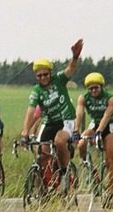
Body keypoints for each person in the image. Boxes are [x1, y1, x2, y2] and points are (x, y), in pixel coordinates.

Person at [19, 39, 84, 178]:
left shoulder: (59, 79)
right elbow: (31, 110)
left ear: (50, 73)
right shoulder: (37, 90)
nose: (42, 78)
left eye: (45, 74)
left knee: (59, 142)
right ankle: (44, 189)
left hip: (66, 119)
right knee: (42, 155)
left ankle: (64, 172)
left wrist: (75, 57)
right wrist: (25, 132)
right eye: (39, 75)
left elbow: (70, 68)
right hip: (49, 122)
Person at [73, 72, 113, 204]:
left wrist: (99, 132)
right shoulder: (83, 98)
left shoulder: (110, 98)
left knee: (110, 160)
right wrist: (76, 130)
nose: (93, 91)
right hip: (95, 123)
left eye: (96, 88)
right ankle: (90, 170)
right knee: (82, 143)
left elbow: (107, 115)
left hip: (110, 125)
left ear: (101, 87)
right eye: (91, 88)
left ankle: (110, 193)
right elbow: (79, 113)